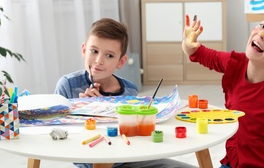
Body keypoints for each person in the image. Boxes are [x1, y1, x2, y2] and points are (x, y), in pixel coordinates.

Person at [55, 18, 196, 168]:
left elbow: (130, 137)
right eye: (94, 51)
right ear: (84, 50)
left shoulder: (130, 90)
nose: (98, 60)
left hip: (126, 160)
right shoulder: (68, 86)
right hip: (89, 161)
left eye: (109, 55)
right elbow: (57, 134)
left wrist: (108, 109)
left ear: (121, 62)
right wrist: (83, 111)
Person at [182, 11, 264, 168]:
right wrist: (188, 41)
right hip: (234, 163)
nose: (262, 34)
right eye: (263, 25)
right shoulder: (235, 64)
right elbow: (195, 52)